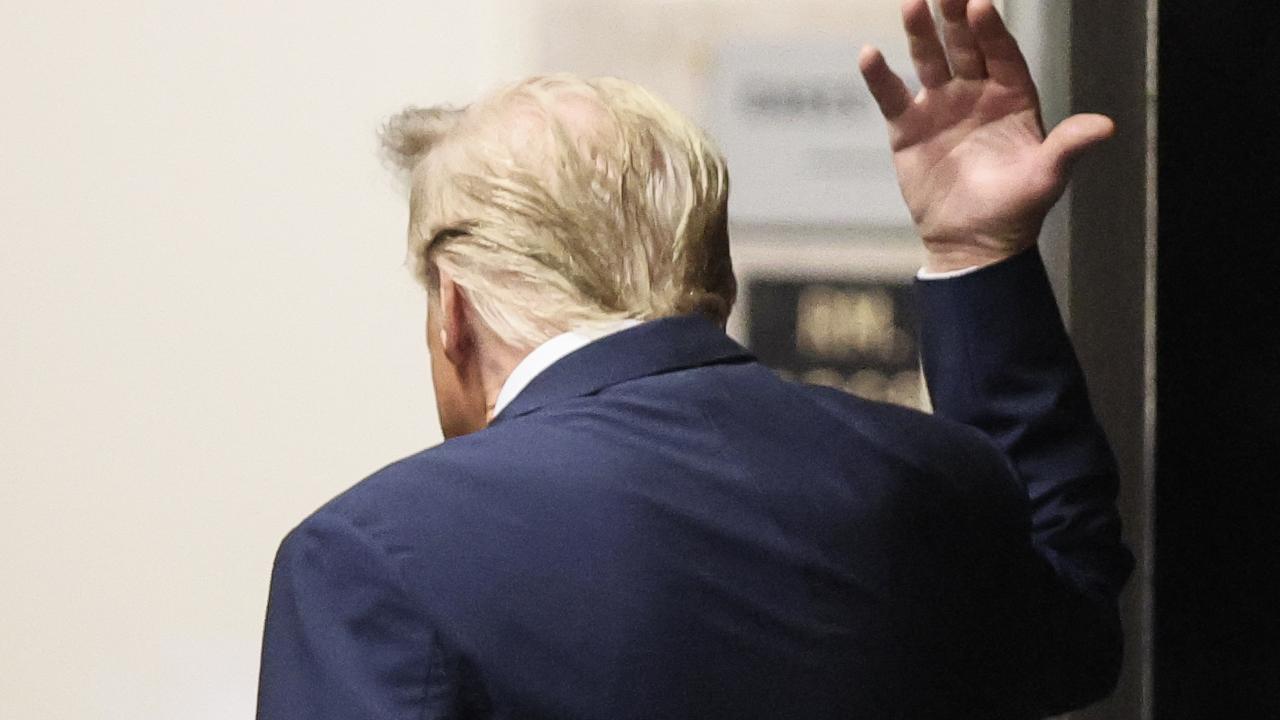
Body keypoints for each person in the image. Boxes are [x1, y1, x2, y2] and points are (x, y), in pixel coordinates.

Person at [256, 0, 1132, 717]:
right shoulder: (931, 479)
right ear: (712, 274)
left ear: (455, 310)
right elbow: (1077, 632)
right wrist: (982, 256)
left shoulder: (370, 560)